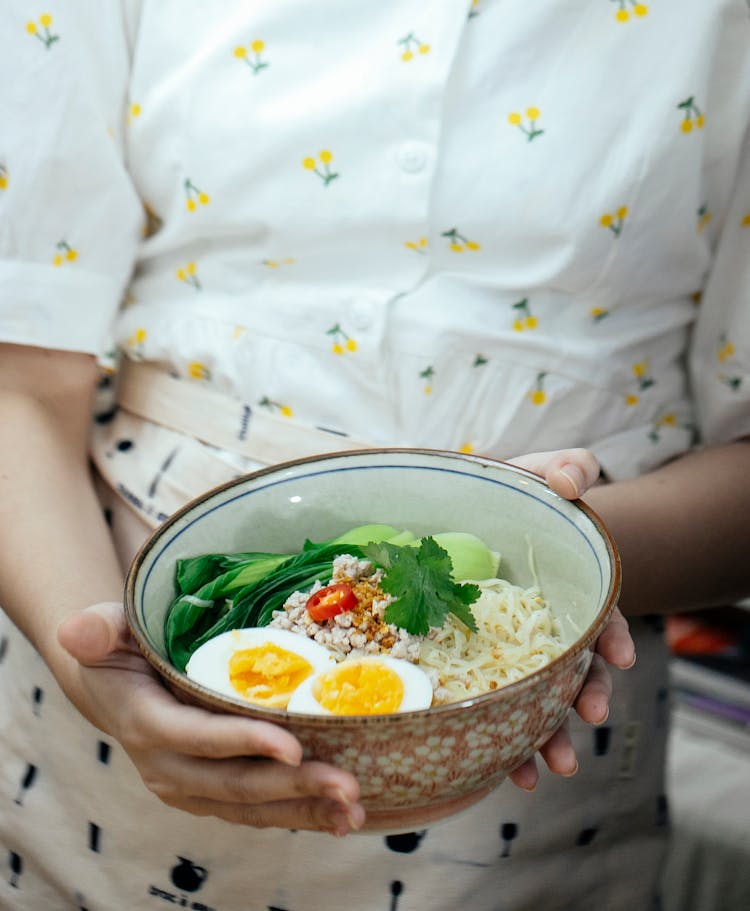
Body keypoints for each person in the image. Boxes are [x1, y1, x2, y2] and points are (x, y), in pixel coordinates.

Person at [1, 2, 748, 909]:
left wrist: (553, 566)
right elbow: (21, 380)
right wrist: (101, 673)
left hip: (533, 755)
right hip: (106, 676)